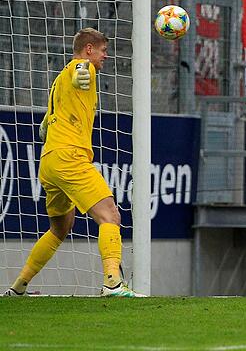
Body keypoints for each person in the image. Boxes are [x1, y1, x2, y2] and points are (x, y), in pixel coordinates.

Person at [3, 28, 142, 298]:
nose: (106, 56)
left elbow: (45, 125)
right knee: (109, 215)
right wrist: (83, 69)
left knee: (60, 227)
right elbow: (82, 70)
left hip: (49, 161)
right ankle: (113, 282)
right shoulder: (82, 68)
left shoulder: (58, 82)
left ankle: (19, 285)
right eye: (103, 50)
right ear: (89, 49)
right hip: (70, 157)